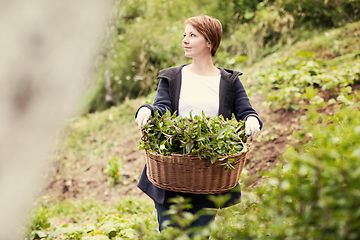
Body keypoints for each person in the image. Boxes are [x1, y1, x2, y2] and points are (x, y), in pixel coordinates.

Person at [135, 15, 263, 234]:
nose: (185, 40)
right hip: (171, 173)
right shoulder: (173, 77)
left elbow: (246, 112)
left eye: (192, 35)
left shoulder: (229, 81)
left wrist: (252, 121)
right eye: (184, 35)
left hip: (207, 175)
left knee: (198, 235)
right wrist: (147, 109)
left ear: (209, 42)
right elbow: (162, 107)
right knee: (170, 235)